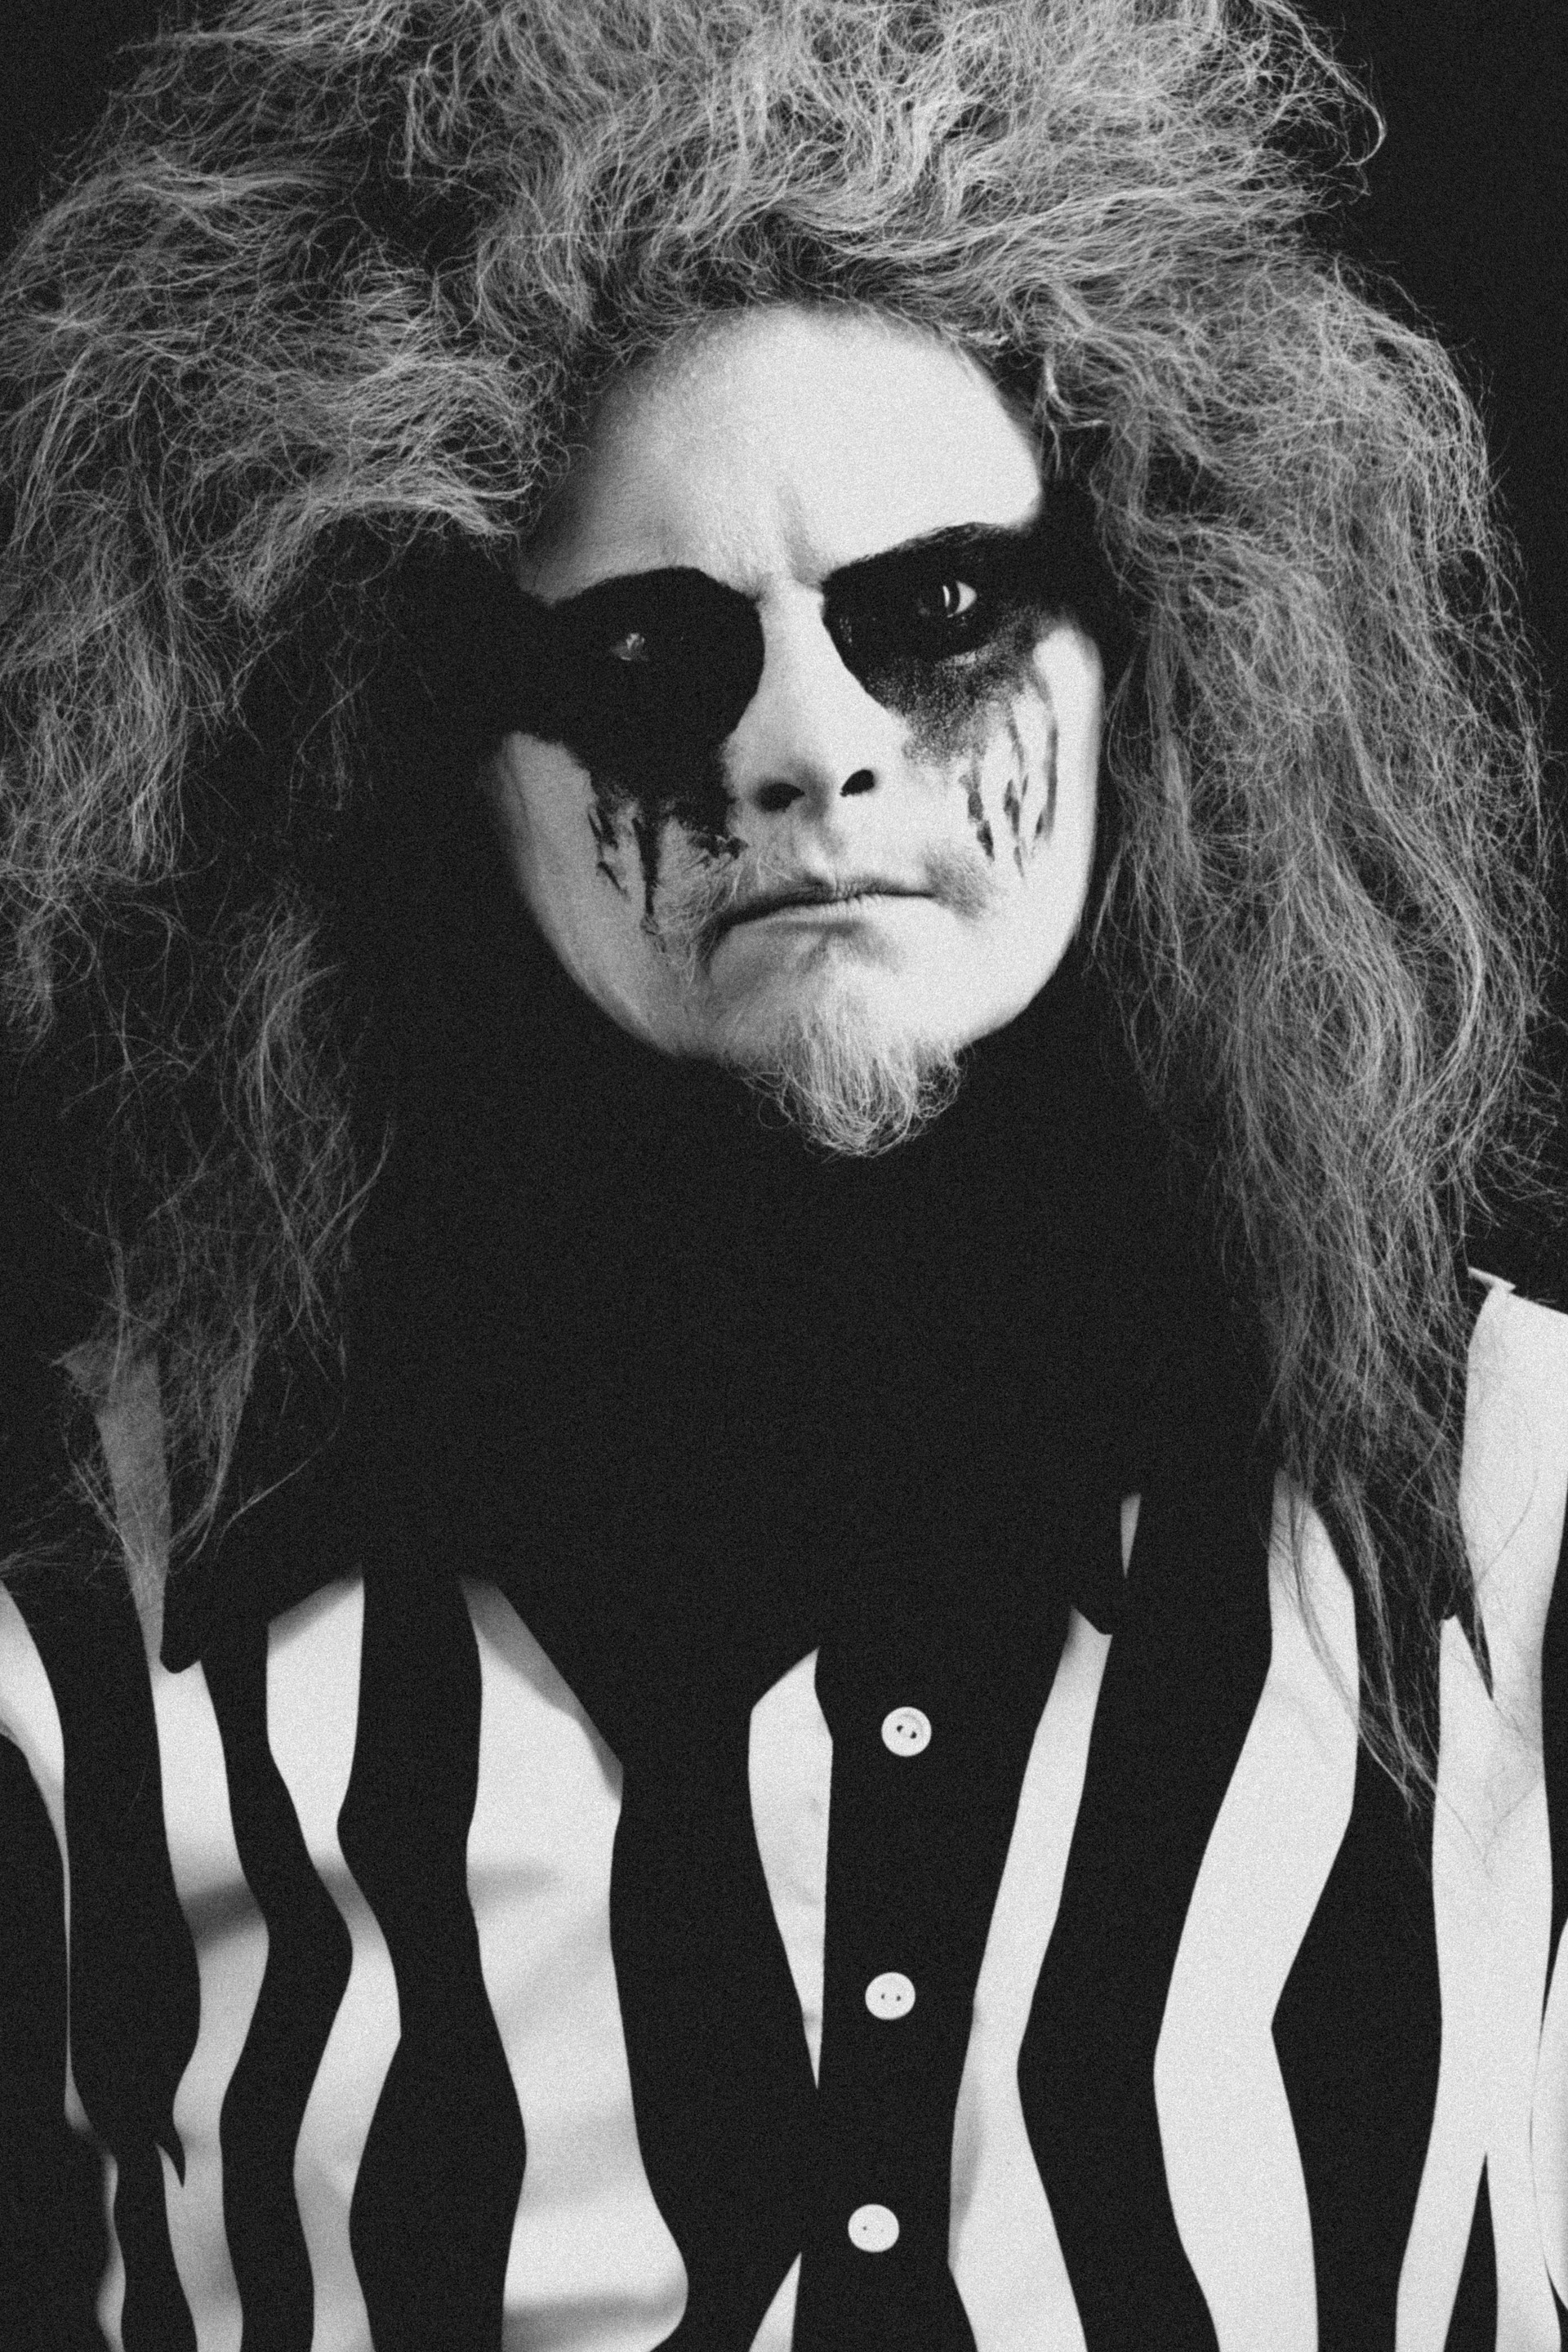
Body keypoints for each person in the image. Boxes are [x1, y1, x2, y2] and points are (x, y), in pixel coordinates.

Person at [0, 0, 1564, 2345]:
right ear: (444, 751)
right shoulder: (95, 1601)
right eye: (650, 652)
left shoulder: (1515, 1490)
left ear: (1160, 645)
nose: (810, 746)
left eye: (938, 615)